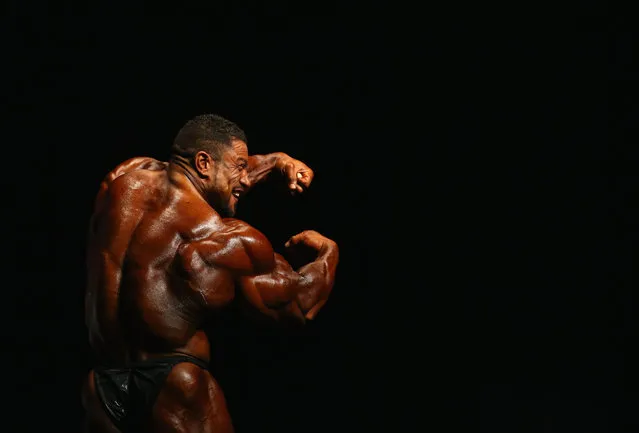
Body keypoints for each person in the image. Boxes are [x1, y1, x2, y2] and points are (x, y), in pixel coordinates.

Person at [81, 114, 339, 433]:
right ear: (203, 163)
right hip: (176, 389)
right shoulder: (220, 239)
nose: (245, 179)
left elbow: (210, 167)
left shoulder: (123, 178)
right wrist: (328, 252)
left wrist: (275, 162)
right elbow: (299, 306)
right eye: (239, 167)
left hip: (102, 390)